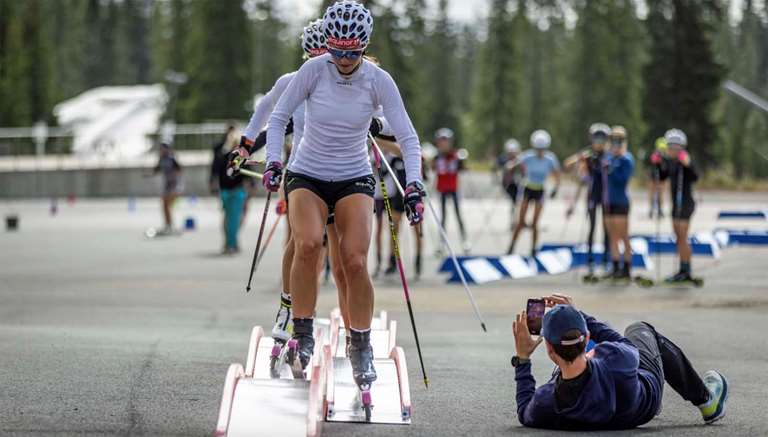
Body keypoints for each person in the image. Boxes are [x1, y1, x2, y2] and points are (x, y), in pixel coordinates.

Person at [262, 0, 425, 390]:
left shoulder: (378, 80)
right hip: (308, 173)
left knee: (353, 261)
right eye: (337, 52)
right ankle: (303, 332)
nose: (344, 60)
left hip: (354, 175)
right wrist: (273, 161)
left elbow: (407, 136)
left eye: (352, 53)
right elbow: (278, 117)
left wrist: (415, 184)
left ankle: (360, 345)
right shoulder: (314, 70)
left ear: (364, 47)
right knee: (307, 245)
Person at [229, 19, 354, 347]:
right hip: (302, 174)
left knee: (340, 257)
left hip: (341, 175)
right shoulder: (294, 80)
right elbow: (266, 109)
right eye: (312, 54)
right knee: (300, 243)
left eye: (323, 53)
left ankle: (351, 328)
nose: (319, 61)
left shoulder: (347, 81)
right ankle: (289, 308)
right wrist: (245, 145)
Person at [511, 292, 729, 430]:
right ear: (586, 337)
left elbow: (524, 411)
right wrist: (582, 316)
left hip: (619, 415)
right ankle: (706, 401)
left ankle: (573, 353)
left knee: (579, 363)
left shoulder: (546, 401)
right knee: (638, 329)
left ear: (549, 349)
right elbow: (624, 343)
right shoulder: (614, 357)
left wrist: (523, 359)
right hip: (644, 405)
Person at [564, 123, 611, 279]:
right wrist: (580, 157)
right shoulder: (588, 155)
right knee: (592, 227)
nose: (599, 142)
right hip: (592, 195)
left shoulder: (608, 156)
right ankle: (590, 259)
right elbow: (569, 165)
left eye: (602, 139)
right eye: (596, 139)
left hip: (605, 196)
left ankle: (606, 259)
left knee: (606, 228)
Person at [507, 130, 561, 256]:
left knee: (535, 223)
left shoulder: (550, 159)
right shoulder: (528, 156)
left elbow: (557, 174)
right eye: (537, 149)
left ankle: (533, 249)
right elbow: (512, 165)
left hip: (540, 191)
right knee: (520, 222)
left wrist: (556, 188)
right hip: (527, 189)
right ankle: (511, 247)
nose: (539, 152)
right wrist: (511, 168)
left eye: (542, 149)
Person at [659, 129, 699, 284]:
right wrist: (657, 164)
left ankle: (686, 270)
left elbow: (695, 176)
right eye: (669, 147)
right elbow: (662, 176)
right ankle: (682, 269)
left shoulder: (685, 161)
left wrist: (687, 164)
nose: (671, 151)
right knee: (678, 237)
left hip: (686, 203)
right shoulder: (671, 162)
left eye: (674, 148)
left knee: (682, 237)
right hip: (676, 204)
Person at [211, 125, 250, 254]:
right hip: (228, 190)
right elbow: (216, 172)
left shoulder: (241, 157)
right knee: (231, 217)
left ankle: (230, 242)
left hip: (236, 190)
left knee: (232, 217)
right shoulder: (223, 156)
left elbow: (247, 176)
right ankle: (231, 243)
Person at [603, 126, 635, 280]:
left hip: (621, 201)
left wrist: (612, 170)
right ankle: (615, 267)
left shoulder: (626, 159)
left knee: (623, 235)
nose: (615, 144)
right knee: (612, 236)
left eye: (619, 141)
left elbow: (623, 180)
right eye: (613, 140)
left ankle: (627, 268)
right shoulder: (608, 158)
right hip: (608, 201)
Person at [432, 128, 469, 253]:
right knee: (443, 217)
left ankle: (464, 241)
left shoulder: (456, 155)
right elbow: (432, 169)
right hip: (442, 189)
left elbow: (462, 168)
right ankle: (442, 244)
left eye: (445, 141)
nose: (443, 143)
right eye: (441, 141)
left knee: (458, 215)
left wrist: (463, 164)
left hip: (454, 188)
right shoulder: (437, 157)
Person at [152, 142, 183, 234]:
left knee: (167, 205)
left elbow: (179, 170)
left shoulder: (171, 159)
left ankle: (170, 225)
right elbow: (156, 169)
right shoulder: (161, 159)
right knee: (164, 206)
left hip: (174, 186)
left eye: (163, 149)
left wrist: (176, 181)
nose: (161, 151)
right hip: (167, 186)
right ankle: (168, 225)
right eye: (160, 149)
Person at [498, 138, 523, 230]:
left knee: (517, 203)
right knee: (514, 202)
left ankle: (517, 221)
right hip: (508, 184)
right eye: (510, 152)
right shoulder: (504, 159)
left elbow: (523, 171)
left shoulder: (520, 159)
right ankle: (514, 222)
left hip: (517, 184)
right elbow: (503, 167)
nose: (512, 154)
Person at [647, 137, 668, 219]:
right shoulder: (654, 155)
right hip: (653, 176)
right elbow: (652, 162)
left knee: (661, 193)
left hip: (662, 176)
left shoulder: (666, 157)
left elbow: (667, 167)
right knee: (652, 192)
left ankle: (660, 209)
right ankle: (651, 208)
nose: (661, 151)